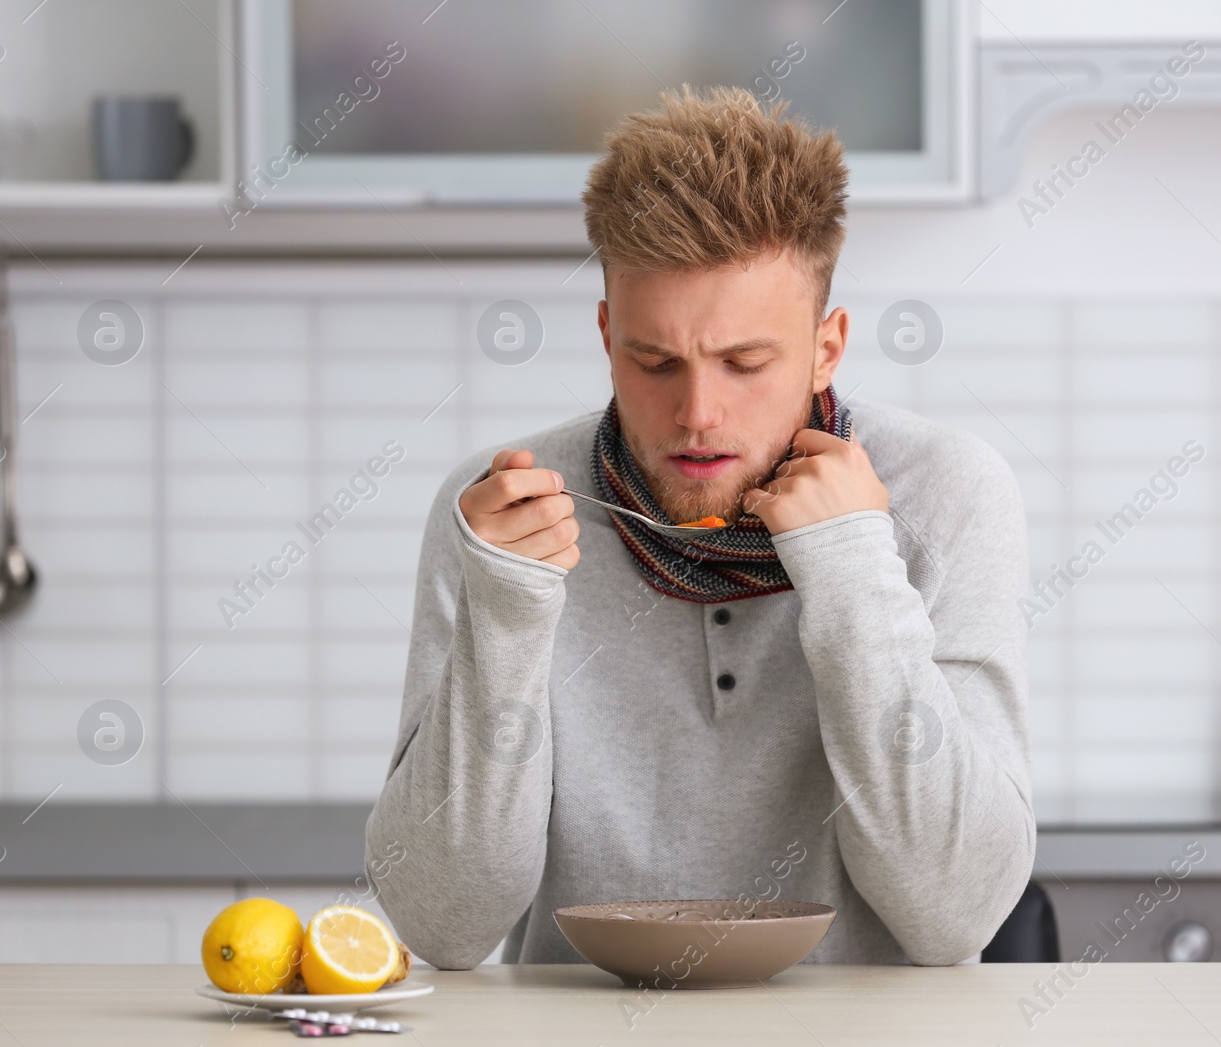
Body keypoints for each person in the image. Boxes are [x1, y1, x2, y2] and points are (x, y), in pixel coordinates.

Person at [367, 84, 1034, 969]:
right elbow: (444, 925)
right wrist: (507, 616)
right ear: (607, 335)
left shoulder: (949, 494)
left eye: (745, 362)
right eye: (655, 362)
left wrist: (853, 570)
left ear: (827, 345)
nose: (696, 413)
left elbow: (957, 917)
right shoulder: (506, 515)